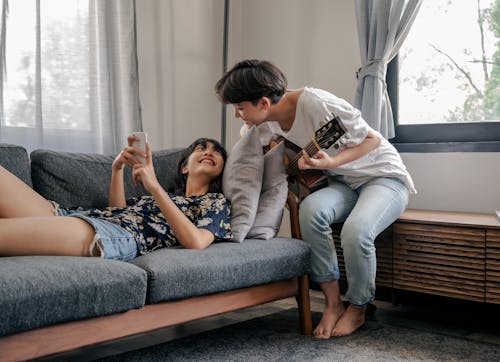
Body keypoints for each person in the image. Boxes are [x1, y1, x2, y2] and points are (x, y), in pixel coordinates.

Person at [215, 59, 416, 339]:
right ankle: (333, 303)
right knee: (310, 210)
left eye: (240, 109)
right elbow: (254, 147)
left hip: (382, 176)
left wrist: (332, 162)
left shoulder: (316, 104)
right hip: (344, 183)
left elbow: (371, 140)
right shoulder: (265, 122)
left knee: (356, 231)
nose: (238, 115)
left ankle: (358, 306)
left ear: (263, 103)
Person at [0, 136, 232, 260]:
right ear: (184, 168)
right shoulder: (164, 198)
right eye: (201, 148)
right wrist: (117, 169)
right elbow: (118, 210)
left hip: (114, 235)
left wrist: (154, 187)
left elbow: (197, 242)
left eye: (216, 151)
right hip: (81, 216)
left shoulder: (214, 201)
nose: (208, 152)